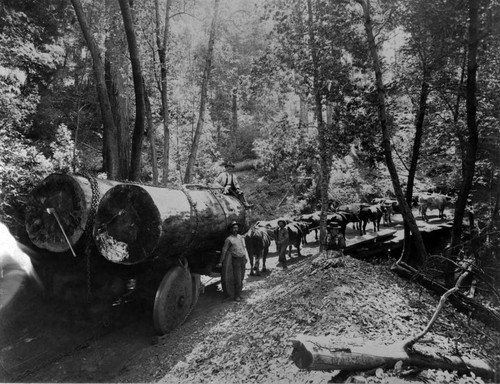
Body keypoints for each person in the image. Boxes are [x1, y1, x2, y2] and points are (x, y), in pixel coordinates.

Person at [218, 221, 249, 301]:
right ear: (231, 229)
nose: (236, 229)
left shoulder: (240, 237)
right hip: (236, 260)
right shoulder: (229, 239)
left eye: (236, 228)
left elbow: (243, 247)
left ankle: (239, 293)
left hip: (242, 259)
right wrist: (221, 262)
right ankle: (236, 296)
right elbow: (224, 250)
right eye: (234, 228)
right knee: (237, 279)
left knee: (241, 278)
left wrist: (245, 256)